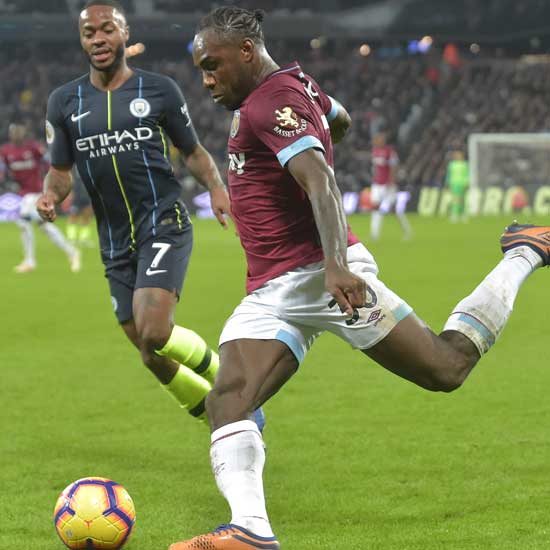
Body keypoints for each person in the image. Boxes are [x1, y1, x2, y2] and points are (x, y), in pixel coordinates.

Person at [169, 7, 550, 549]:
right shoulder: (294, 85)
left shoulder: (271, 100)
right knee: (228, 398)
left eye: (213, 65)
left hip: (319, 279)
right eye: (201, 69)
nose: (206, 79)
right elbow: (337, 121)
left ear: (247, 53)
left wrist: (336, 264)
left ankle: (525, 252)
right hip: (274, 291)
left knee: (445, 367)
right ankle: (251, 532)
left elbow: (321, 177)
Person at [36, 0, 248, 427]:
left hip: (163, 223)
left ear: (124, 34)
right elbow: (60, 173)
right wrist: (49, 197)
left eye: (107, 29)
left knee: (154, 330)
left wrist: (217, 187)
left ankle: (230, 391)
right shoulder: (64, 102)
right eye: (89, 32)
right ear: (82, 40)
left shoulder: (159, 90)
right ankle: (216, 417)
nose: (98, 38)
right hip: (114, 241)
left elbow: (192, 151)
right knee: (150, 353)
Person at [0, 121, 81, 273]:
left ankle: (30, 261)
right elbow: (3, 170)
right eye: (14, 131)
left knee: (23, 221)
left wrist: (53, 182)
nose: (17, 134)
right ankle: (72, 252)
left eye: (19, 131)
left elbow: (51, 161)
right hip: (24, 194)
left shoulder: (33, 147)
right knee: (46, 227)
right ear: (10, 134)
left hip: (38, 191)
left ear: (23, 133)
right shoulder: (5, 151)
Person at [369, 130, 410, 240]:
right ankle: (374, 234)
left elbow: (394, 167)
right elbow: (375, 169)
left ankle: (406, 231)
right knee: (375, 207)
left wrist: (391, 182)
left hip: (387, 185)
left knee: (394, 209)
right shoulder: (375, 151)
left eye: (379, 139)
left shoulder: (389, 152)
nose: (377, 141)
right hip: (377, 184)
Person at [66, 167, 95, 247]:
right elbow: (69, 176)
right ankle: (71, 238)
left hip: (87, 194)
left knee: (87, 216)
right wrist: (70, 192)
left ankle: (84, 239)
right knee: (73, 216)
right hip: (77, 195)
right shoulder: (75, 165)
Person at [445, 149, 469, 222]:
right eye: (456, 155)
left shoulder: (464, 164)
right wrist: (448, 183)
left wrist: (467, 183)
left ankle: (463, 214)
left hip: (462, 183)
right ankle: (454, 214)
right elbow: (449, 175)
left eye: (459, 155)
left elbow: (467, 174)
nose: (457, 156)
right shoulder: (452, 164)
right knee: (455, 200)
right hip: (454, 183)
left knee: (462, 200)